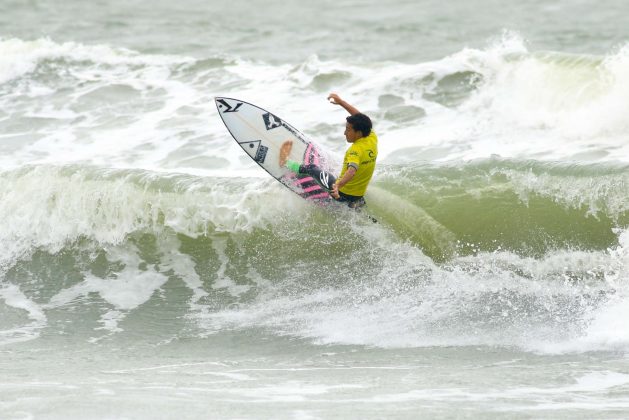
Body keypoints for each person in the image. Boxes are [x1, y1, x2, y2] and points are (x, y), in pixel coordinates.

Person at [279, 93, 378, 209]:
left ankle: (285, 161)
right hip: (358, 195)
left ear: (359, 133)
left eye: (348, 130)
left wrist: (337, 186)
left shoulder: (355, 150)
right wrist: (341, 102)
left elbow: (352, 171)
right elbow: (360, 117)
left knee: (312, 168)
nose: (345, 133)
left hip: (342, 193)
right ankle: (354, 204)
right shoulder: (371, 137)